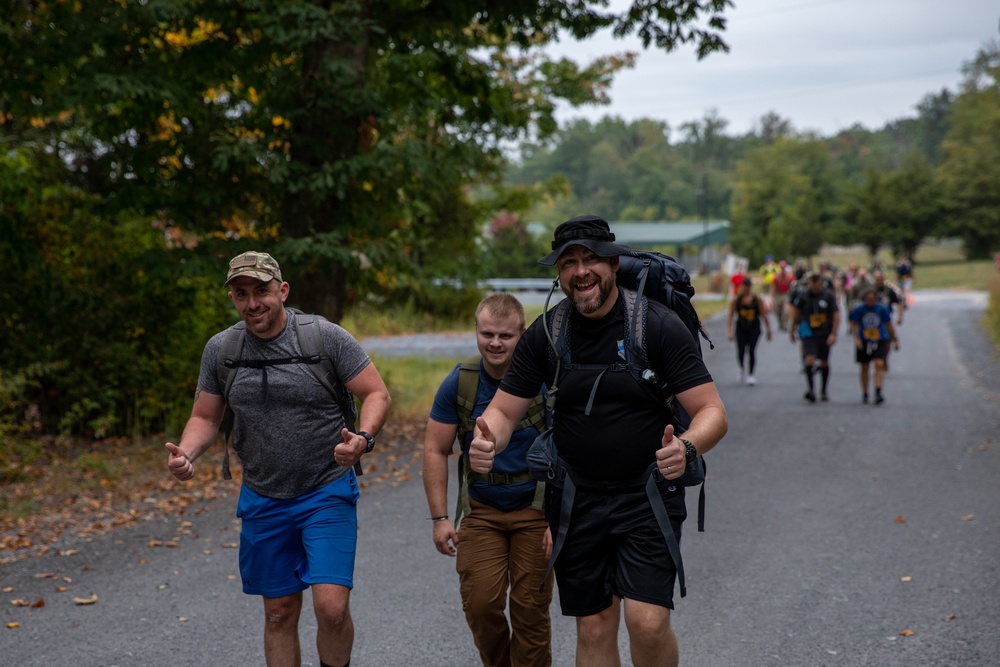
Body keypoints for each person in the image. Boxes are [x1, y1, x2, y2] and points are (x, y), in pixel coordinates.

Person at [469, 215, 728, 667]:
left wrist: (686, 447)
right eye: (569, 262)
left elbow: (713, 412)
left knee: (647, 623)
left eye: (590, 258)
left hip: (647, 496)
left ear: (612, 263)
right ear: (559, 273)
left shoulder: (657, 326)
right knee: (593, 626)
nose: (580, 271)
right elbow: (505, 410)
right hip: (576, 499)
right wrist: (487, 437)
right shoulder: (549, 332)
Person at [165, 251, 391, 667]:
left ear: (282, 290)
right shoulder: (222, 349)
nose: (252, 303)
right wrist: (187, 454)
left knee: (332, 609)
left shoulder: (325, 338)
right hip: (264, 495)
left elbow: (376, 393)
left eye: (262, 292)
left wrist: (362, 438)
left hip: (326, 488)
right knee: (279, 611)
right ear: (233, 297)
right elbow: (204, 416)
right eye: (241, 293)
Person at [422, 293, 553, 667]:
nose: (495, 343)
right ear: (476, 332)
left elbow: (571, 451)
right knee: (481, 604)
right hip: (482, 510)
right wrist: (440, 518)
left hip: (537, 510)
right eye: (487, 334)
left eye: (505, 336)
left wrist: (559, 519)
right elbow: (435, 449)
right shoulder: (460, 383)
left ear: (523, 334)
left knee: (530, 611)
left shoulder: (546, 383)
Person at [789, 272, 840, 402]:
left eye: (818, 286)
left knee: (824, 362)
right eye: (813, 286)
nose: (815, 289)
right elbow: (796, 312)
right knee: (809, 359)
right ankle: (811, 389)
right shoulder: (803, 295)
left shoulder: (828, 295)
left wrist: (833, 333)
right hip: (808, 331)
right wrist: (792, 329)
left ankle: (823, 390)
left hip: (824, 331)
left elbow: (836, 315)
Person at [849, 286, 900, 404]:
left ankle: (878, 391)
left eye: (873, 298)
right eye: (868, 298)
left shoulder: (882, 309)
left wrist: (895, 340)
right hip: (864, 339)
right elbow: (854, 323)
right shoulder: (859, 309)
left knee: (879, 363)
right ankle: (865, 392)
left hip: (880, 338)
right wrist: (856, 338)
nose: (871, 301)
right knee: (865, 366)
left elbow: (889, 324)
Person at [727, 277, 772, 385]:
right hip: (741, 327)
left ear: (751, 287)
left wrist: (768, 330)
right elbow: (731, 315)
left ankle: (751, 374)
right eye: (744, 286)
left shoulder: (757, 300)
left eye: (748, 286)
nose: (746, 288)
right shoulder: (737, 300)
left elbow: (763, 314)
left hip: (754, 327)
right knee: (741, 351)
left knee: (751, 350)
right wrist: (730, 331)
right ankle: (742, 367)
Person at [769, 260, 794, 331]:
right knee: (777, 309)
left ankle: (785, 323)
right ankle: (780, 322)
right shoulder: (776, 276)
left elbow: (793, 286)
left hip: (786, 294)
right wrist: (771, 297)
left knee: (786, 310)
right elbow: (772, 287)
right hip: (778, 294)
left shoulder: (790, 276)